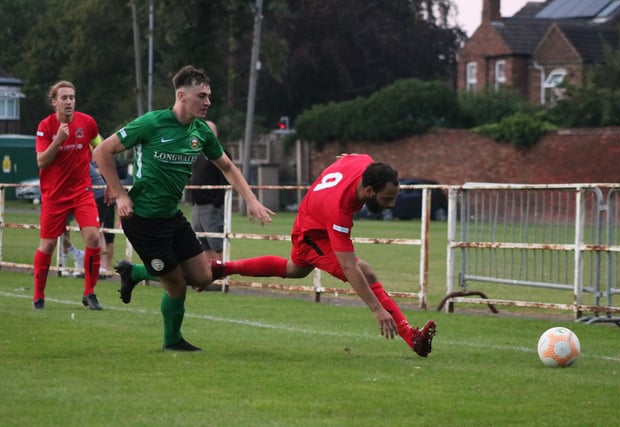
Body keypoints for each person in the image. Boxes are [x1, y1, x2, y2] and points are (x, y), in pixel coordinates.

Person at [116, 153, 438, 358]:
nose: (392, 204)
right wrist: (376, 310)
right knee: (364, 272)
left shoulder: (365, 164)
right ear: (368, 191)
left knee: (293, 269)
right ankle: (412, 338)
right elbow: (349, 267)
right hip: (312, 230)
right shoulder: (340, 210)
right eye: (387, 198)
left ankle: (167, 271)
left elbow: (349, 157)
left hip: (315, 219)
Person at [93, 65, 274, 352]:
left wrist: (251, 199)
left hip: (172, 217)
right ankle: (172, 340)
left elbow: (227, 166)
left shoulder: (201, 132)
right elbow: (101, 151)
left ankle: (136, 272)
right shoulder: (152, 123)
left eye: (209, 96)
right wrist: (119, 194)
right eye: (202, 96)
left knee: (202, 278)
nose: (208, 102)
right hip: (143, 220)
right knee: (176, 283)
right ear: (181, 95)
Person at [32, 80, 103, 310]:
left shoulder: (87, 122)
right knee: (48, 245)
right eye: (64, 98)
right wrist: (58, 141)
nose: (69, 101)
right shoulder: (46, 126)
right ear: (54, 103)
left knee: (93, 238)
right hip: (54, 195)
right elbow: (41, 161)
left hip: (82, 191)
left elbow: (100, 148)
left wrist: (108, 179)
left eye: (72, 97)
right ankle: (38, 296)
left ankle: (89, 293)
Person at [189, 120, 230, 262]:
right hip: (196, 205)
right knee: (202, 243)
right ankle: (208, 277)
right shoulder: (197, 153)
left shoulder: (222, 154)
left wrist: (217, 204)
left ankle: (221, 277)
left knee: (216, 243)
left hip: (211, 206)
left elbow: (226, 179)